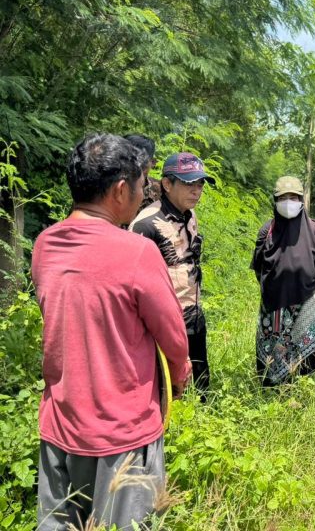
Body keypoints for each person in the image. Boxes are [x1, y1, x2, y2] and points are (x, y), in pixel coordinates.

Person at [33, 134, 191, 531]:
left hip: (60, 425)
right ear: (121, 190)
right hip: (122, 432)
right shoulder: (136, 252)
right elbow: (173, 335)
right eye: (142, 185)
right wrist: (179, 376)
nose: (145, 193)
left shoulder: (45, 245)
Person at [131, 152, 214, 400]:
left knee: (200, 386)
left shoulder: (189, 216)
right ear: (167, 184)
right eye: (189, 183)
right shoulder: (146, 224)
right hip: (165, 323)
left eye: (200, 184)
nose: (196, 191)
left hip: (193, 314)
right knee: (169, 390)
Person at [250, 176, 315, 386]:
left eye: (294, 197)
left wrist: (311, 296)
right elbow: (259, 266)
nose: (289, 202)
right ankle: (274, 391)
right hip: (273, 304)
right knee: (272, 354)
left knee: (310, 355)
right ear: (275, 200)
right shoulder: (266, 230)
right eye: (283, 197)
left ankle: (308, 392)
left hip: (306, 303)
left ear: (301, 200)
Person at [124, 134, 161, 211]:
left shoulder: (161, 190)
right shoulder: (108, 186)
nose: (136, 166)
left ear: (152, 162)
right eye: (130, 160)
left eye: (142, 162)